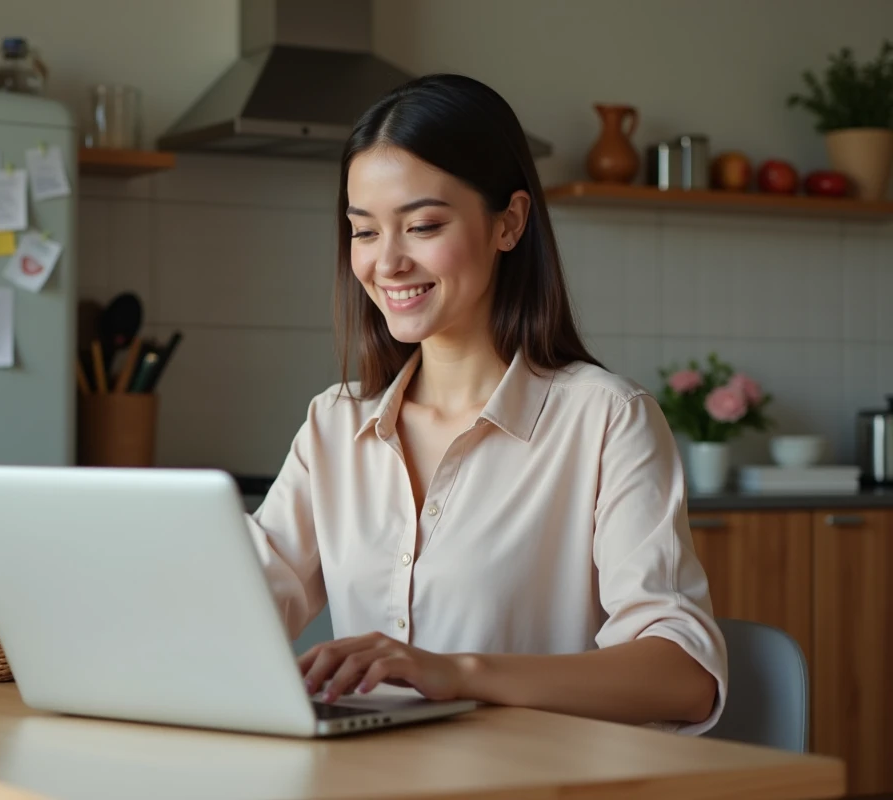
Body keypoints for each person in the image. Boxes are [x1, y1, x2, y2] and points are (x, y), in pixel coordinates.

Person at [246, 73, 725, 734]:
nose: (387, 263)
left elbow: (685, 679)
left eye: (421, 225)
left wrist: (459, 673)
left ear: (509, 222)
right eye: (363, 232)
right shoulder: (335, 426)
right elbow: (233, 608)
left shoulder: (606, 420)